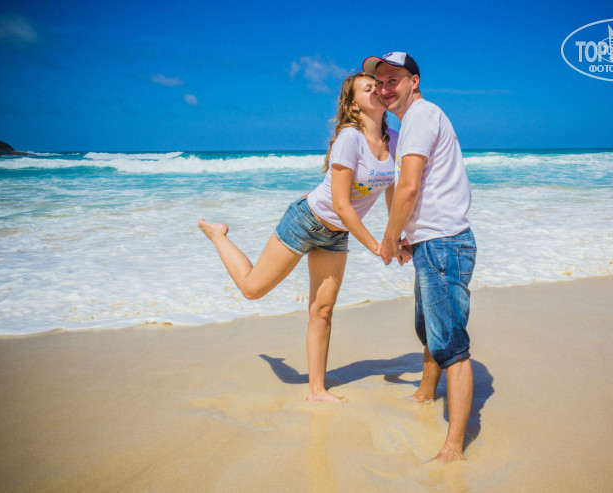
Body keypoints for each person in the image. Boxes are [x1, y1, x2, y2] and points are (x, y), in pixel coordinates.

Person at [198, 72, 400, 402]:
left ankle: (316, 390)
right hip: (306, 221)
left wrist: (396, 234)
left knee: (323, 311)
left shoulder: (394, 138)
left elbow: (392, 188)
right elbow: (341, 205)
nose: (377, 89)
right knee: (252, 289)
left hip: (336, 235)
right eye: (368, 88)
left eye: (378, 85)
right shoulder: (349, 138)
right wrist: (378, 246)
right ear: (354, 104)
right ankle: (219, 235)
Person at [363, 52, 477, 463]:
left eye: (393, 79)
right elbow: (422, 188)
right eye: (379, 82)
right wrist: (409, 236)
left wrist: (390, 238)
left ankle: (453, 448)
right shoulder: (418, 118)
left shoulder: (419, 116)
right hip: (434, 241)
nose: (384, 88)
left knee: (451, 346)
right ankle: (427, 392)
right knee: (428, 327)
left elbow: (409, 187)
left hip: (443, 243)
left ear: (414, 81)